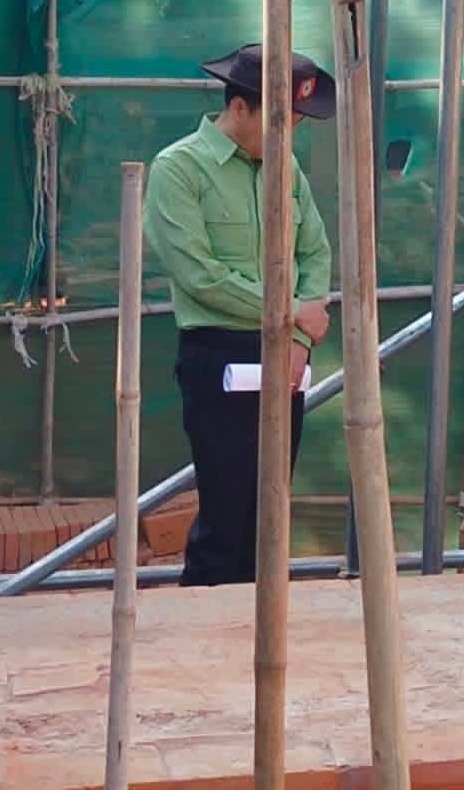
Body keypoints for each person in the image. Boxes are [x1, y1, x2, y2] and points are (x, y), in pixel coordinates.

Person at [144, 42, 335, 586]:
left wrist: (299, 339)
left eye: (298, 123)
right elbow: (199, 276)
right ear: (239, 107)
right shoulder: (179, 169)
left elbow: (315, 251)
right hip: (220, 354)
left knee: (269, 512)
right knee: (226, 514)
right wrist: (291, 313)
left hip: (286, 354)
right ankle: (209, 620)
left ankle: (262, 619)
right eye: (284, 121)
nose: (290, 135)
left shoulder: (285, 167)